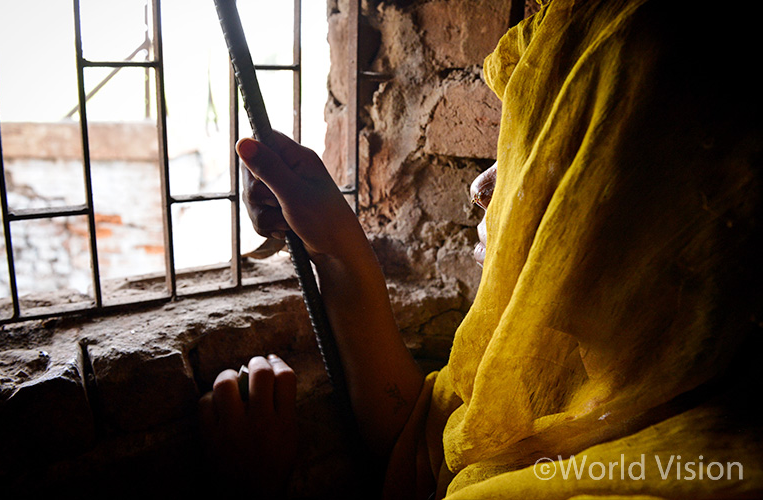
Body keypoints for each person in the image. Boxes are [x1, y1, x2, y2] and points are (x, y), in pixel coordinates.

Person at [199, 0, 763, 498]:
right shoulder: (605, 376)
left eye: (544, 148)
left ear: (648, 210)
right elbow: (420, 453)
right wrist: (337, 247)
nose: (480, 186)